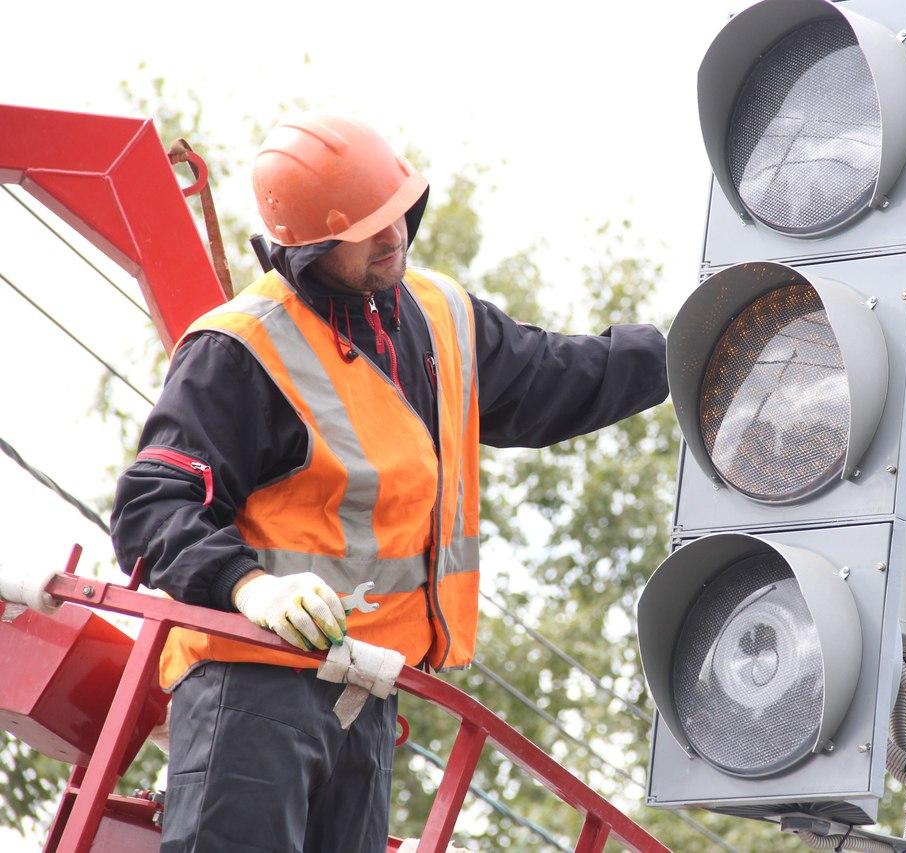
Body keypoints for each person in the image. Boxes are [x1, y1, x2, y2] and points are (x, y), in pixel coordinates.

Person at [109, 113, 668, 852]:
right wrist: (251, 588)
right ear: (308, 248)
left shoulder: (441, 318)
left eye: (397, 213)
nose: (392, 235)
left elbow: (563, 377)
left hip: (364, 693)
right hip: (252, 691)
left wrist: (691, 350)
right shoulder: (241, 348)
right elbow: (152, 504)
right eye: (366, 228)